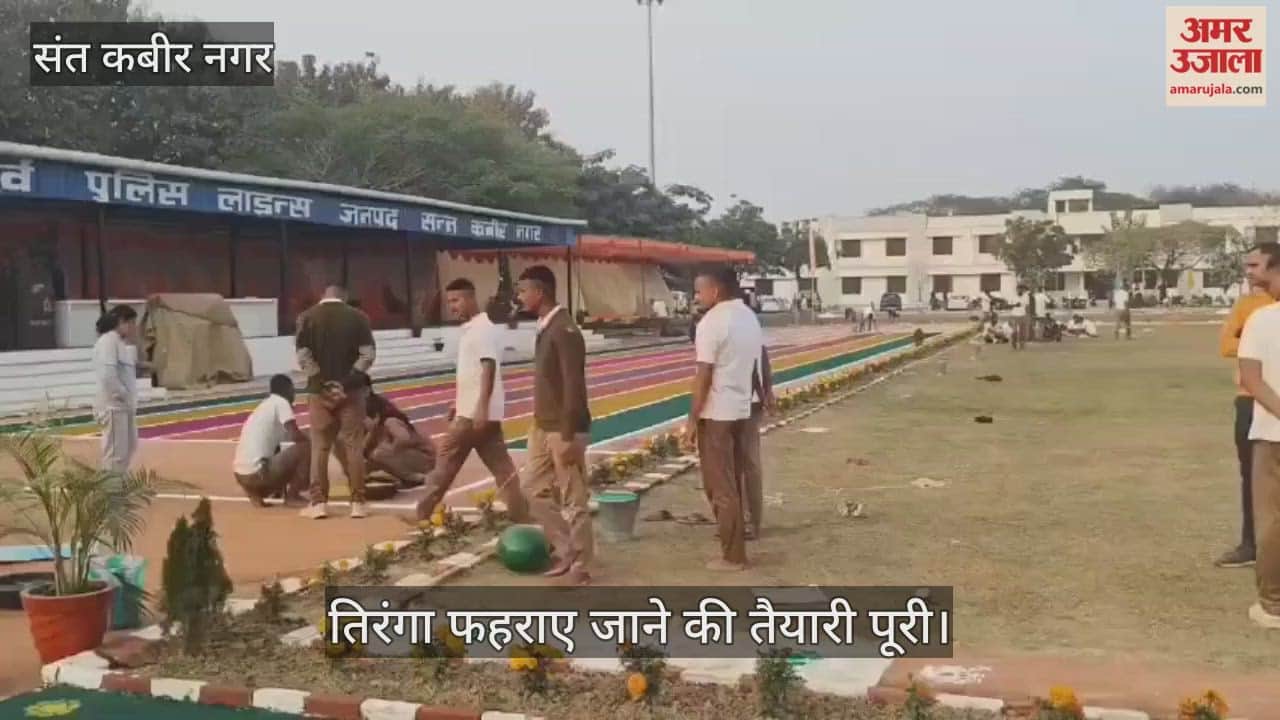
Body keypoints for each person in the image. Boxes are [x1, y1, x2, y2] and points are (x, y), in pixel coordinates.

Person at [415, 278, 528, 523]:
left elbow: (488, 368)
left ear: (470, 298)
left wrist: (479, 408)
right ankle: (520, 514)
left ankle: (421, 513)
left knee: (444, 463)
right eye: (449, 302)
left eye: (455, 300)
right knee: (502, 468)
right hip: (479, 411)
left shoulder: (481, 330)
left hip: (473, 415)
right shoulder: (478, 328)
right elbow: (474, 373)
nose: (452, 307)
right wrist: (459, 402)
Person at [517, 265, 593, 585]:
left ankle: (582, 565)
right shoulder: (545, 326)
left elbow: (574, 385)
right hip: (542, 425)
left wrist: (568, 435)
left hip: (563, 427)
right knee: (531, 490)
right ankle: (565, 550)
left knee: (574, 497)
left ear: (540, 292)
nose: (519, 297)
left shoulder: (564, 329)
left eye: (523, 291)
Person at [684, 266, 763, 571]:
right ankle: (736, 541)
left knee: (720, 486)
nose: (696, 297)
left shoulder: (711, 322)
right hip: (742, 409)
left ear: (715, 291)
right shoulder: (749, 317)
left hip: (717, 413)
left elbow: (703, 375)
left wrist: (692, 420)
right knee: (734, 482)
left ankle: (733, 556)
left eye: (699, 290)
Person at [1217, 244, 1279, 569]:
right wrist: (1258, 343)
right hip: (1250, 401)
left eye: (1255, 265)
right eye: (1246, 265)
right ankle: (1251, 544)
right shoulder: (1247, 306)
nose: (1249, 272)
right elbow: (1227, 344)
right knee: (1252, 478)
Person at [294, 285, 376, 520]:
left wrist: (321, 382)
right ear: (344, 298)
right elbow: (367, 354)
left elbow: (303, 355)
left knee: (320, 447)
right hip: (352, 392)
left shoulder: (306, 317)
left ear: (324, 296)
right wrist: (347, 381)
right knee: (353, 446)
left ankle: (319, 503)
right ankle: (358, 503)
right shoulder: (359, 318)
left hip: (319, 393)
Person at [1234, 244, 1280, 629]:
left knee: (1271, 521)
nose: (1251, 274)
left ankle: (1272, 605)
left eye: (1257, 266)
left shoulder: (1262, 320)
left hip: (1272, 434)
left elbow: (1251, 378)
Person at [232, 375, 310, 507]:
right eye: (293, 391)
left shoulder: (265, 406)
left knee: (277, 451)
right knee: (306, 447)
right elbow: (295, 435)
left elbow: (278, 445)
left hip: (241, 476)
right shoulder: (282, 403)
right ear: (287, 390)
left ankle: (256, 497)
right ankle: (293, 496)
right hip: (258, 475)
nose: (294, 395)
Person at [358, 373, 435, 490]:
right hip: (410, 455)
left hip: (424, 459)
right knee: (365, 460)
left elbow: (403, 438)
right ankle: (403, 472)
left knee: (379, 453)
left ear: (366, 390)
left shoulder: (389, 419)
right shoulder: (364, 415)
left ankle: (415, 478)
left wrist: (391, 451)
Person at [92, 305, 140, 473]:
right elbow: (108, 375)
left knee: (128, 448)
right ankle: (111, 493)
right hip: (114, 406)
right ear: (121, 322)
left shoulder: (118, 343)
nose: (134, 328)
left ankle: (118, 486)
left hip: (123, 407)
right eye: (131, 323)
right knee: (115, 453)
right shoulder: (108, 341)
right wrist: (123, 394)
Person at [739, 346, 775, 540]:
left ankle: (749, 520)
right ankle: (736, 518)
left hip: (746, 402)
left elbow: (760, 356)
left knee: (748, 462)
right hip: (725, 403)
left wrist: (766, 391)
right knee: (732, 464)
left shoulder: (745, 322)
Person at [1010, 285, 1030, 350]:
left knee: (1023, 331)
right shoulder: (1013, 296)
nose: (1020, 290)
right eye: (1019, 289)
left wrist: (1027, 315)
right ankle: (1014, 342)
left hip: (1023, 315)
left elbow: (1027, 306)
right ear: (1017, 289)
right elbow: (1008, 305)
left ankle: (1022, 344)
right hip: (1014, 315)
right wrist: (1015, 305)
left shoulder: (1026, 296)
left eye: (1022, 289)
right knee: (1014, 331)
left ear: (1023, 290)